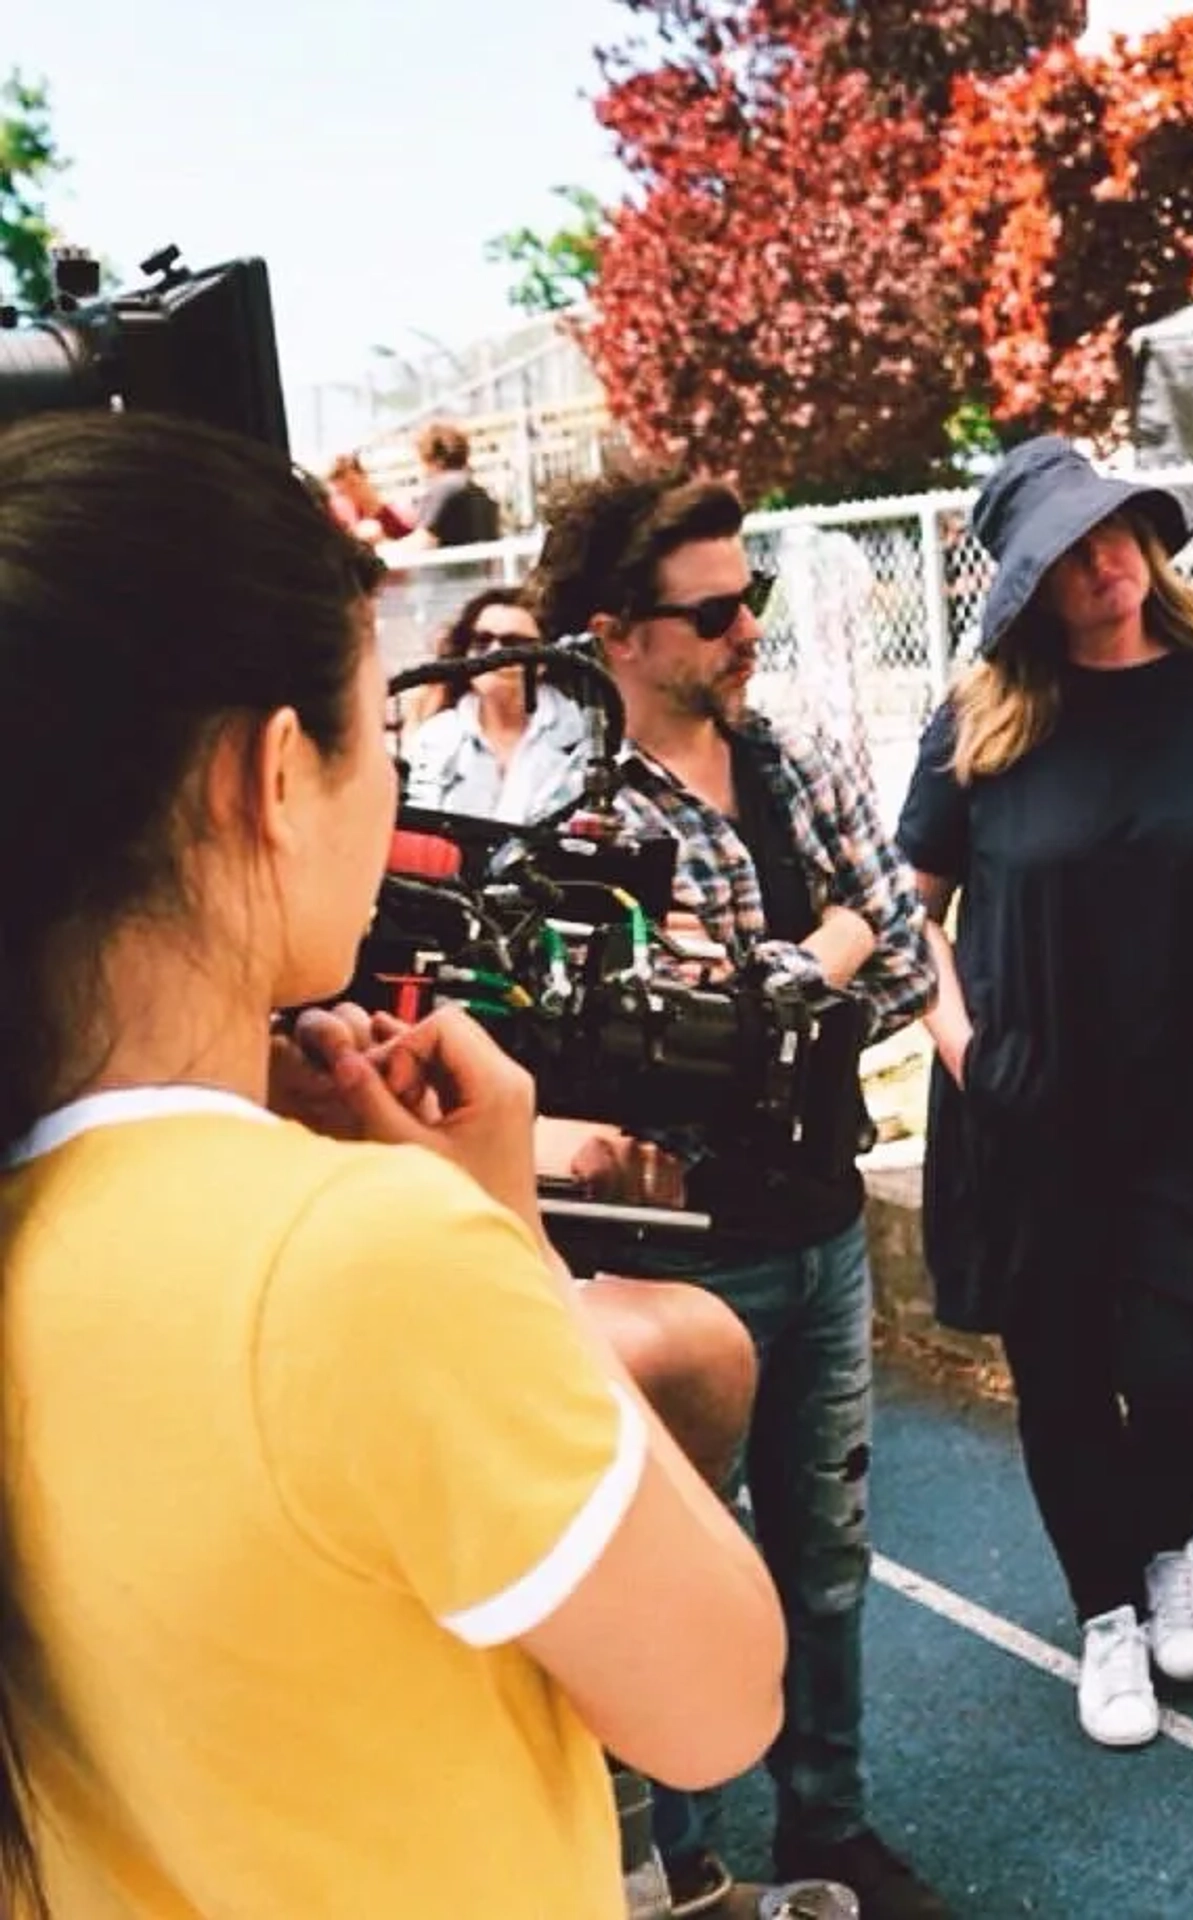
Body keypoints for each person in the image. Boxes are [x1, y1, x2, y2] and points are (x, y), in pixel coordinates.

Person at [0, 409, 786, 1920]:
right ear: (271, 777)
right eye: (374, 725)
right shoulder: (373, 1261)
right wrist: (505, 1236)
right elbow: (719, 1699)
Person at [528, 473, 950, 1920]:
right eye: (711, 612)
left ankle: (827, 1825)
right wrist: (809, 957)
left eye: (750, 596)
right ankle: (688, 1858)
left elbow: (900, 955)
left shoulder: (792, 757)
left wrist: (769, 987)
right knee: (679, 1564)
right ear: (618, 636)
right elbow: (604, 1041)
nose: (747, 629)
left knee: (827, 1558)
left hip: (818, 1227)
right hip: (667, 1260)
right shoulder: (569, 807)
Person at [895, 436, 1193, 1749]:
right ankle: (1106, 1617)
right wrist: (972, 1055)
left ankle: (1165, 1540)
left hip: (1192, 1096)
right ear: (1025, 584)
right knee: (1067, 1371)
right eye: (1072, 551)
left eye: (1120, 530)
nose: (1108, 562)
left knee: (1183, 1369)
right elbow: (907, 917)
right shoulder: (980, 724)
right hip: (1031, 1110)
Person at [403, 585, 592, 824]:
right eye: (481, 641)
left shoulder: (584, 734)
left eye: (512, 643)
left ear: (544, 660)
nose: (493, 653)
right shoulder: (436, 737)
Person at [391, 419, 503, 550]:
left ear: (431, 459)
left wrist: (376, 553)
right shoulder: (479, 492)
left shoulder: (445, 487)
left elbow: (422, 543)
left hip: (455, 569)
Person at [325, 450, 413, 542]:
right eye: (342, 492)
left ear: (364, 475)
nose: (351, 495)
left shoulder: (400, 510)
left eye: (352, 485)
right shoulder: (353, 526)